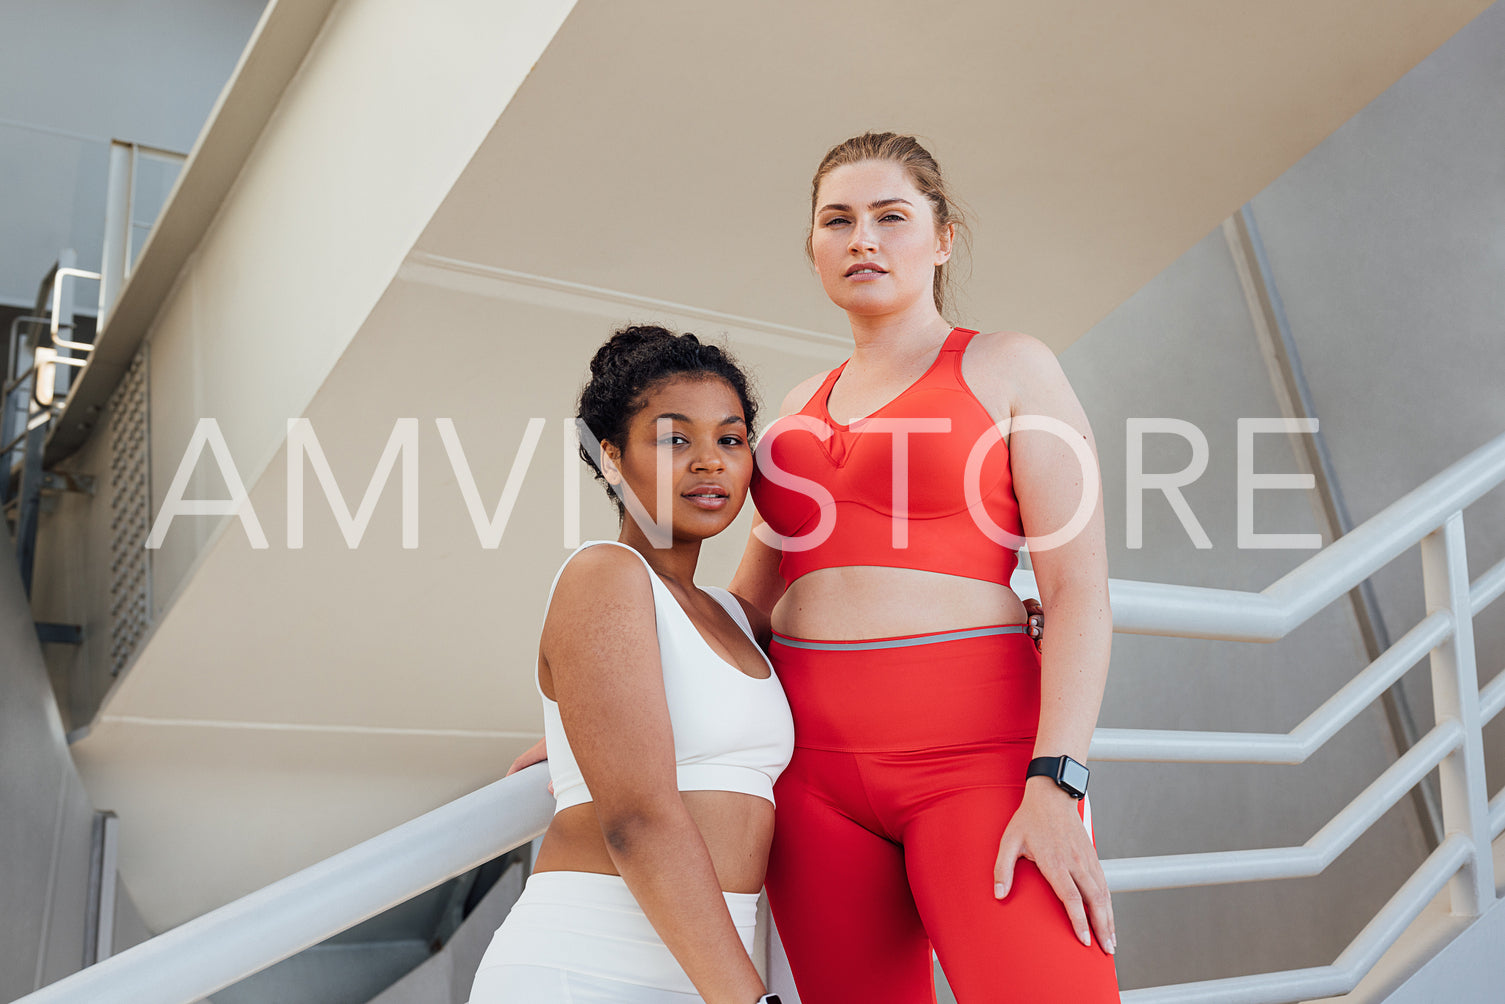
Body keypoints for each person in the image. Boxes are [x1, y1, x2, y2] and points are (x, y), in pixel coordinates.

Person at [732, 132, 1120, 1003]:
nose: (861, 239)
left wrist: (1057, 784)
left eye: (889, 217)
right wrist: (604, 704)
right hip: (811, 773)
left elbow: (1077, 596)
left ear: (942, 238)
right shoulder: (796, 405)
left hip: (977, 759)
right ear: (814, 249)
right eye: (837, 221)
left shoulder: (1009, 365)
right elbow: (741, 609)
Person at [470, 325, 792, 1004]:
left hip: (711, 966)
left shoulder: (740, 620)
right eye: (676, 439)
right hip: (590, 967)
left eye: (729, 440)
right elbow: (637, 819)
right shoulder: (604, 575)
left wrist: (1020, 620)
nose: (709, 462)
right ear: (611, 458)